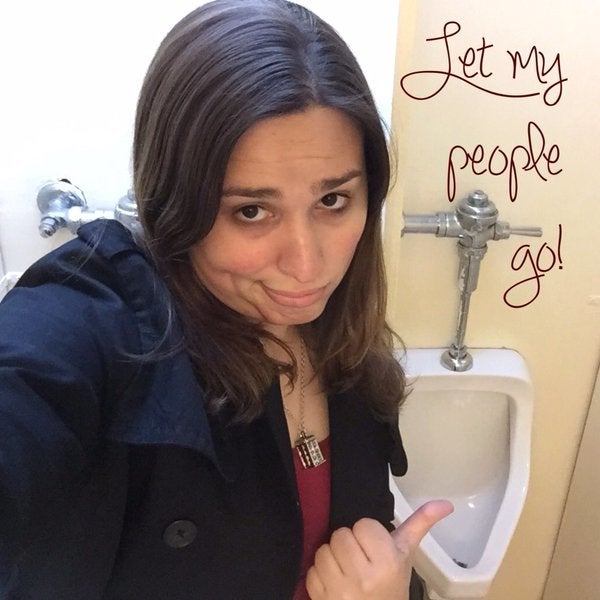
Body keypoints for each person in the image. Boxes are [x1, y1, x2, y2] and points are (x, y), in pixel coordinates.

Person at [0, 1, 452, 598]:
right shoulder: (104, 322)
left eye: (333, 201)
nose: (308, 263)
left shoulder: (340, 340)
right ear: (176, 206)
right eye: (251, 211)